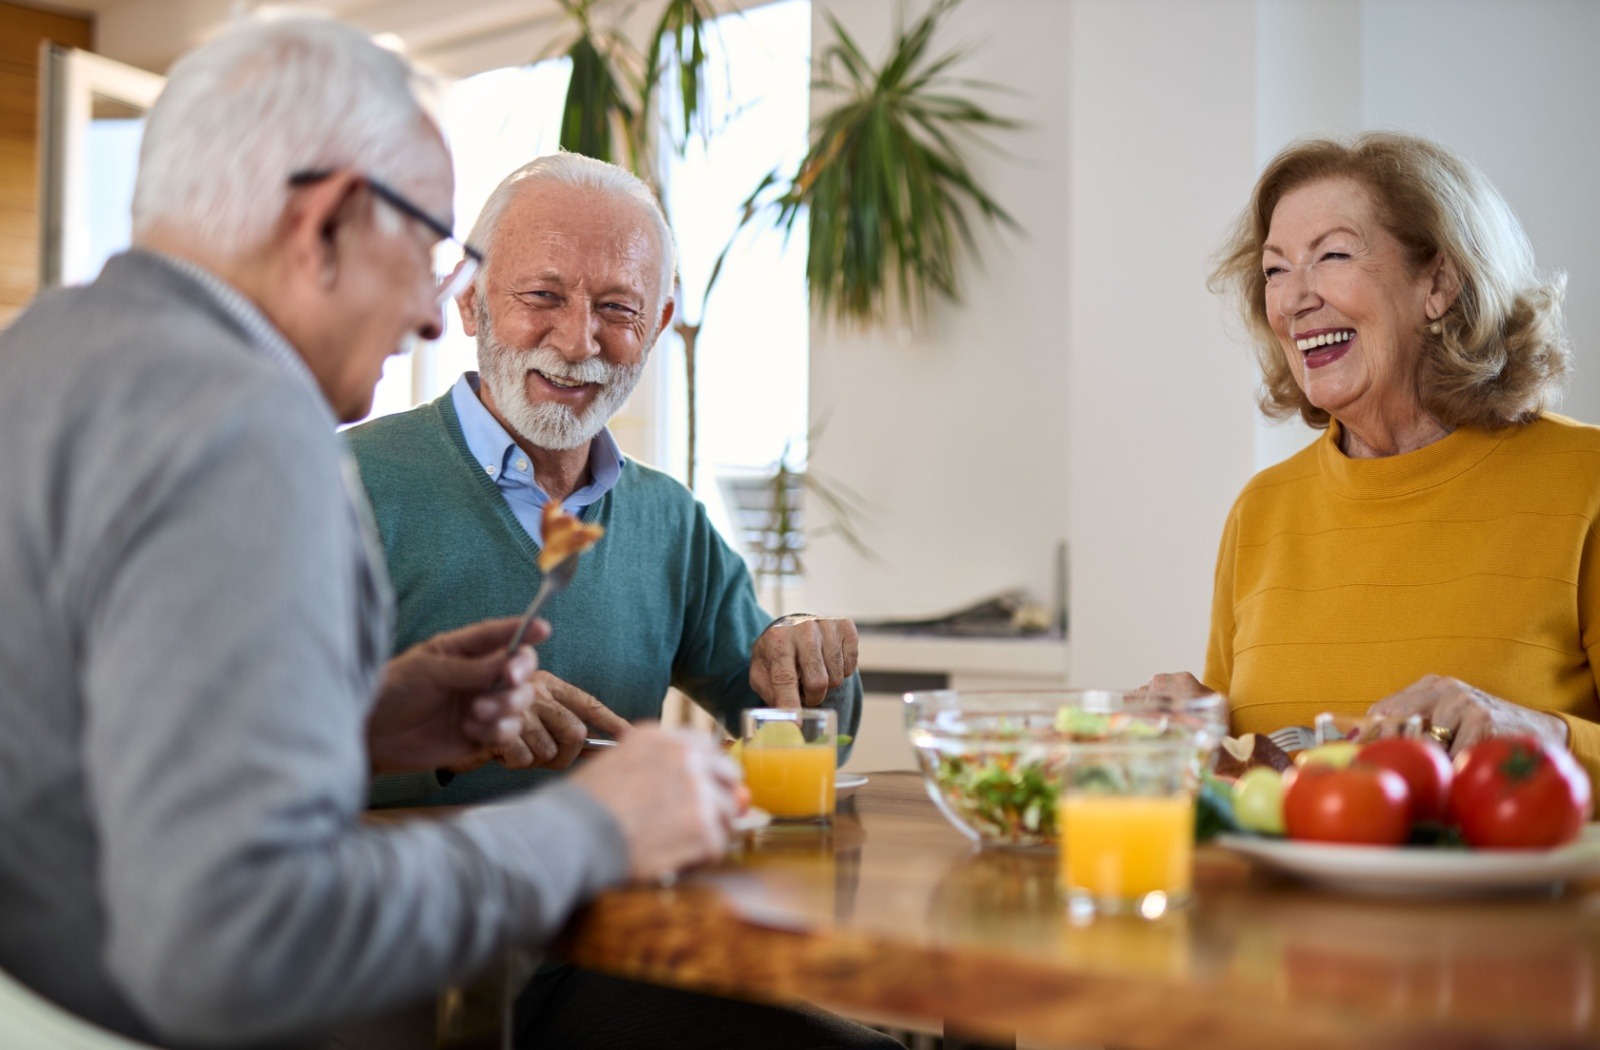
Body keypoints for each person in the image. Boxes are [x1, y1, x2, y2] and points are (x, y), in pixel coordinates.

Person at [0, 16, 743, 1049]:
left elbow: (75, 757)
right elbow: (237, 939)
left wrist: (356, 720)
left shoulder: (43, 354)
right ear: (332, 221)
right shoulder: (249, 425)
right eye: (432, 249)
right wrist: (590, 827)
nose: (440, 318)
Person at [346, 152, 864, 806]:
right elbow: (242, 740)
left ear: (655, 329)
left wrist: (811, 661)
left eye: (618, 309)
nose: (576, 342)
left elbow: (796, 734)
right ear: (472, 301)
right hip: (400, 899)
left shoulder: (670, 523)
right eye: (543, 296)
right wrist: (441, 720)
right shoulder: (341, 483)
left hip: (624, 899)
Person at [1152, 131, 1600, 782]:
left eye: (1332, 255)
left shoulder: (1583, 480)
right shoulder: (1262, 510)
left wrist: (1543, 738)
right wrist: (1196, 740)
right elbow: (1248, 787)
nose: (1294, 298)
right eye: (1276, 269)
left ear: (1438, 283)